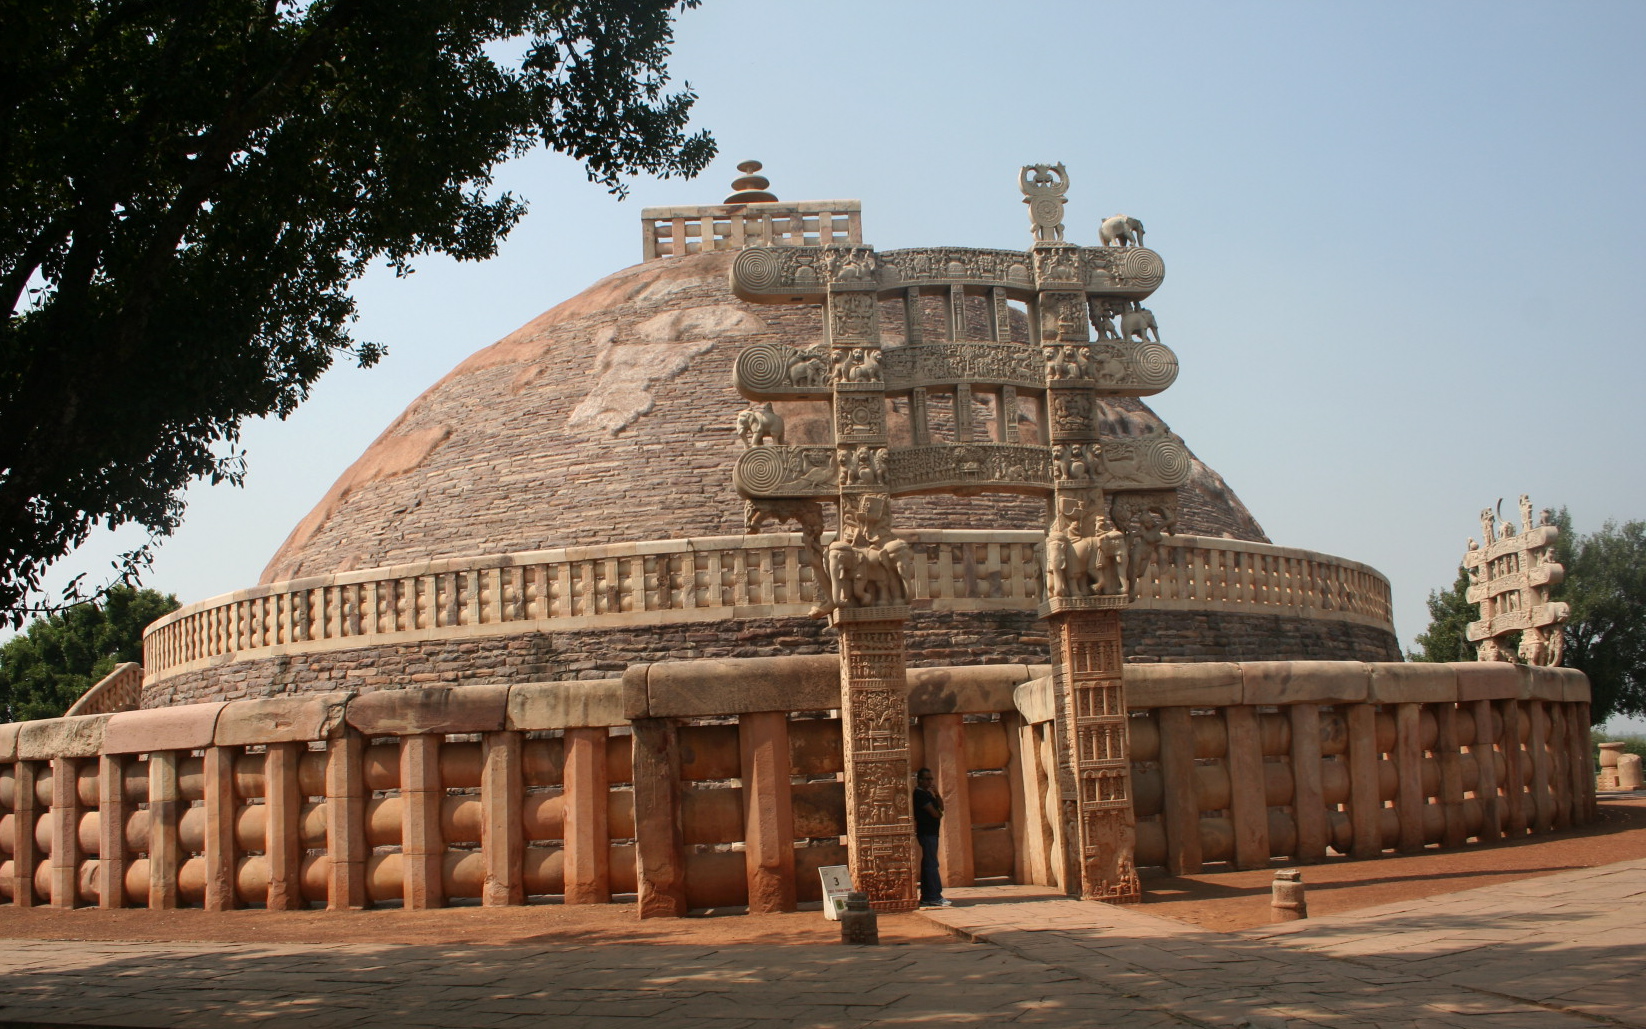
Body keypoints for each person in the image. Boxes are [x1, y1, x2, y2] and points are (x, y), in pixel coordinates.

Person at [913, 768, 949, 907]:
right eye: (927, 779)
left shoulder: (928, 794)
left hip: (932, 833)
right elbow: (935, 813)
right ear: (920, 780)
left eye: (931, 779)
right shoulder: (919, 794)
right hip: (926, 833)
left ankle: (929, 895)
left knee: (930, 863)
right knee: (931, 864)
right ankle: (933, 895)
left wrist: (937, 794)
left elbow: (941, 808)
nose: (929, 781)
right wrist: (938, 813)